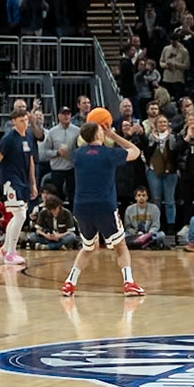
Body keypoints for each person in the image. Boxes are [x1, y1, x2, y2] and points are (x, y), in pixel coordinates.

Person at [62, 121, 145, 297]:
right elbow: (136, 152)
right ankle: (129, 282)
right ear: (99, 134)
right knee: (120, 245)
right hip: (104, 205)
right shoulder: (109, 154)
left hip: (81, 207)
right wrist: (114, 136)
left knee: (88, 247)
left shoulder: (77, 154)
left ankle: (69, 283)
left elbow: (64, 151)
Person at [0, 104, 39, 266]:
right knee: (20, 215)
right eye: (21, 120)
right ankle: (10, 252)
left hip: (23, 182)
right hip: (10, 182)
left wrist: (33, 183)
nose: (25, 123)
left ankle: (5, 249)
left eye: (26, 120)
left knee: (20, 215)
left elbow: (31, 162)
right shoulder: (7, 139)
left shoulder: (28, 137)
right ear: (14, 122)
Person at [124, 185, 164, 249]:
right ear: (135, 197)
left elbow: (156, 225)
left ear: (147, 197)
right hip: (134, 235)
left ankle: (142, 243)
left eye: (143, 195)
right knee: (123, 235)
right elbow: (127, 227)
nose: (141, 198)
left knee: (161, 235)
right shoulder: (129, 209)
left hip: (149, 234)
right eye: (139, 195)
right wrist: (135, 233)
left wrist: (148, 234)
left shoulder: (154, 208)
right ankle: (145, 244)